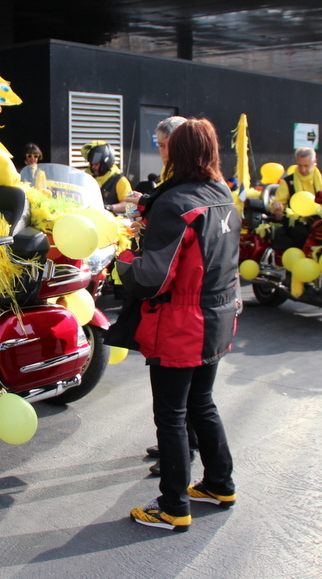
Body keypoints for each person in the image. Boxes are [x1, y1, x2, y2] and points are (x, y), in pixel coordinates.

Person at [110, 118, 239, 532]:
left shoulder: (176, 202)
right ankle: (219, 484)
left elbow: (153, 277)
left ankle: (173, 506)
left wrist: (121, 261)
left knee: (171, 416)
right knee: (202, 404)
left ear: (178, 153)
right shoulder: (222, 193)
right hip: (219, 315)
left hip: (182, 323)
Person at [143, 115, 199, 477]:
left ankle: (178, 470)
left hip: (182, 308)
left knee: (176, 404)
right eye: (160, 145)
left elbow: (159, 270)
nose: (163, 152)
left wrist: (131, 263)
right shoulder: (182, 183)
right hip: (195, 308)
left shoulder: (185, 191)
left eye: (166, 145)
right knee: (190, 401)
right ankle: (183, 451)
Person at [81, 140, 135, 214]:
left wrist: (109, 207)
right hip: (89, 216)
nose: (93, 167)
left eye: (96, 164)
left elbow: (129, 204)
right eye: (91, 164)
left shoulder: (119, 180)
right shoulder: (86, 177)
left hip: (112, 218)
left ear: (106, 163)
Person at [271, 147, 322, 213]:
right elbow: (278, 203)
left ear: (314, 162)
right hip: (296, 218)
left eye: (306, 166)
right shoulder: (287, 182)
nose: (303, 169)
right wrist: (276, 205)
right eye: (300, 165)